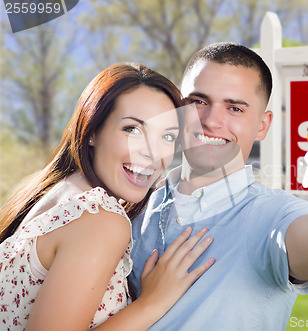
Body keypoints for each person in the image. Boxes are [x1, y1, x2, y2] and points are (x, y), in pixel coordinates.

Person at [129, 42, 308, 330]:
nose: (211, 121)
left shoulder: (272, 214)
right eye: (199, 101)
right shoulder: (137, 204)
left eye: (234, 108)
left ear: (262, 125)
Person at [0, 63, 215, 330]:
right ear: (92, 131)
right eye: (132, 130)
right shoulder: (100, 219)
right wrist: (152, 303)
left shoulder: (54, 192)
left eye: (168, 136)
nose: (152, 153)